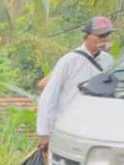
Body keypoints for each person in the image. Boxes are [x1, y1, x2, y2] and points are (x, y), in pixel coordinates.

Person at [36, 16, 114, 151]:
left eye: (107, 35)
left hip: (95, 129)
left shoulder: (109, 61)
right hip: (68, 128)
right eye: (100, 35)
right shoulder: (69, 61)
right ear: (86, 37)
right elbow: (49, 96)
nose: (104, 39)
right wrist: (44, 133)